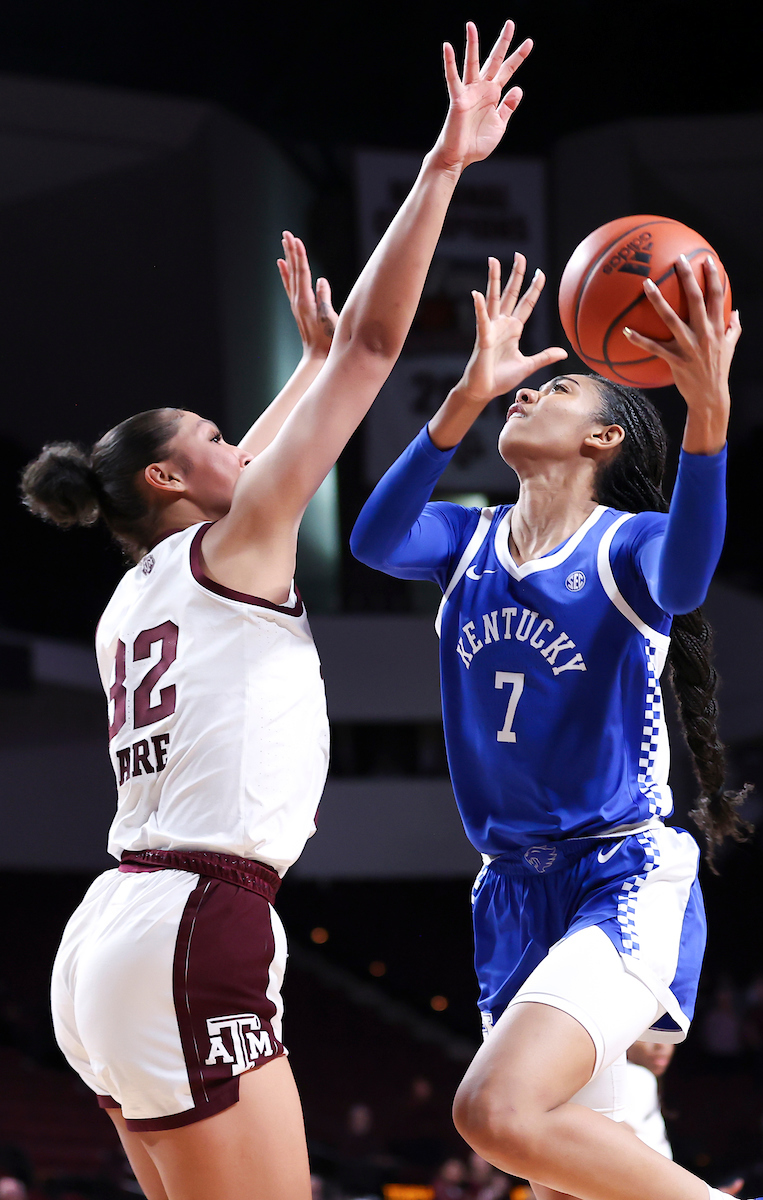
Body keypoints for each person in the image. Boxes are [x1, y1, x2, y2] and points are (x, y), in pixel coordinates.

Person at [20, 22, 533, 1200]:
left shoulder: (136, 591)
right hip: (193, 920)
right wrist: (442, 165)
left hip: (112, 933)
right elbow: (376, 346)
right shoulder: (231, 548)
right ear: (168, 478)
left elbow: (252, 458)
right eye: (211, 435)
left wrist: (303, 372)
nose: (235, 442)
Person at [349, 252, 763, 1200]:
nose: (527, 393)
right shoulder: (467, 541)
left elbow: (688, 577)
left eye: (558, 390)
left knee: (496, 1114)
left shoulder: (628, 548)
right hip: (511, 890)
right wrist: (462, 397)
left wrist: (707, 415)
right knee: (560, 1179)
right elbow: (373, 540)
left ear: (603, 440)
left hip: (617, 876)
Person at [624, 1040, 675, 1159]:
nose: (661, 1045)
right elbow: (621, 1137)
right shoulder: (636, 1075)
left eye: (668, 1035)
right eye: (648, 1036)